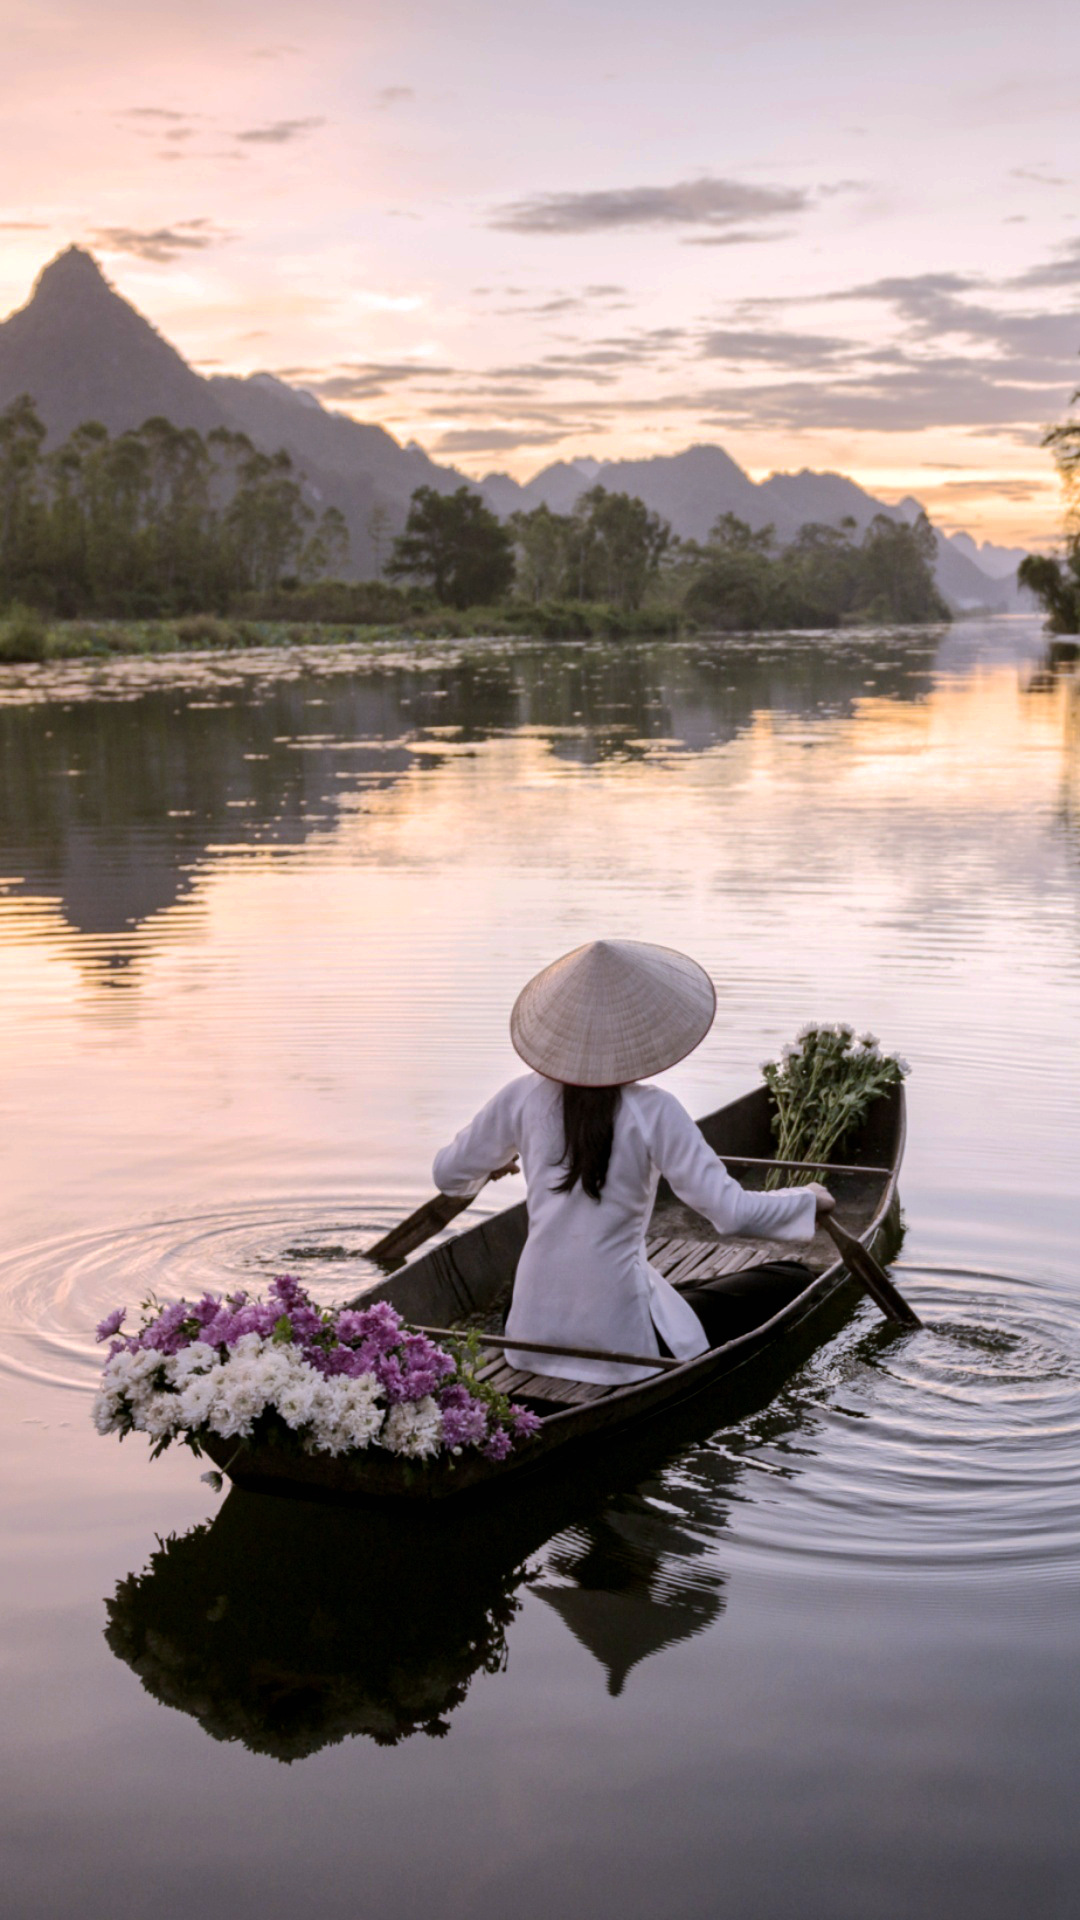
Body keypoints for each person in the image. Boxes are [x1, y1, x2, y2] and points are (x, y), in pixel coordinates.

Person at [433, 939, 834, 1386]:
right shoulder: (654, 1110)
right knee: (788, 1277)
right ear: (636, 1035)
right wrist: (807, 1199)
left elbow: (448, 1175)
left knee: (673, 1292)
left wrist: (492, 1163)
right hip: (620, 1349)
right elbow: (730, 1212)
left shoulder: (520, 1097)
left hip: (528, 1336)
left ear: (561, 1031)